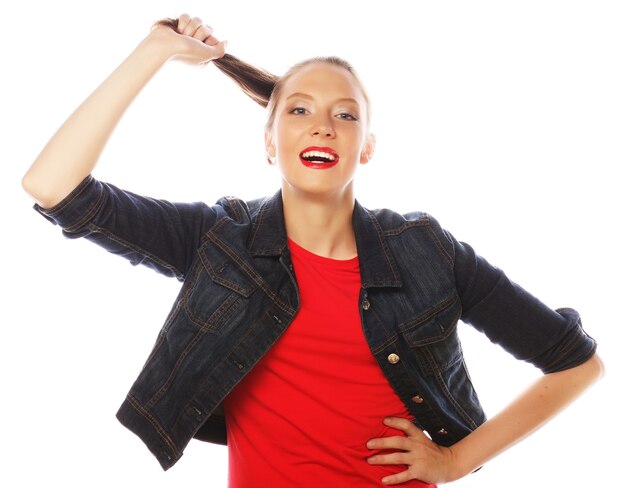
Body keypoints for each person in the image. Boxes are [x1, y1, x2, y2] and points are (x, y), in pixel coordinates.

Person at [22, 14, 603, 487]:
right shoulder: (222, 242)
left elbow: (577, 364)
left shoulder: (428, 251)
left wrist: (456, 460)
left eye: (344, 116)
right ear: (269, 141)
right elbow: (54, 187)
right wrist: (153, 52)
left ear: (366, 147)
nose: (322, 126)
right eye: (298, 110)